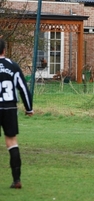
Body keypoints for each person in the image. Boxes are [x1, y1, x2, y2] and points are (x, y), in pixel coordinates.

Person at [0, 38, 34, 188]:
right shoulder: (13, 66)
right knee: (12, 142)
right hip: (9, 108)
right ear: (4, 50)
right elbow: (23, 89)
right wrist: (29, 108)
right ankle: (17, 180)